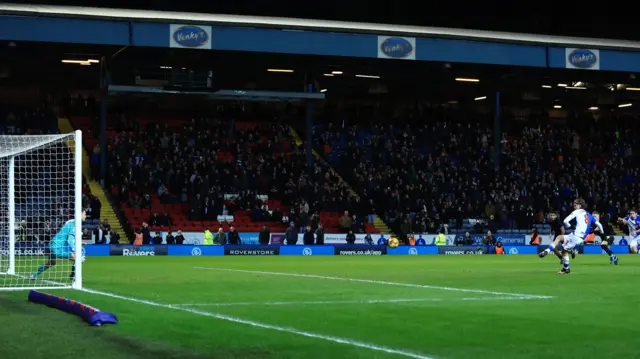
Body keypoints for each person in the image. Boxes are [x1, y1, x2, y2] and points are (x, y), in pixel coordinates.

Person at [538, 198, 602, 274]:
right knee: (559, 238)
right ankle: (548, 252)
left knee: (564, 250)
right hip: (577, 236)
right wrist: (602, 231)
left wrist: (568, 225)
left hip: (577, 236)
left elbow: (565, 221)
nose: (573, 205)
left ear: (580, 205)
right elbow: (599, 224)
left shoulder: (577, 212)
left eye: (575, 204)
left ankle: (566, 268)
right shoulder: (588, 214)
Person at [31, 210, 86, 281]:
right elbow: (70, 240)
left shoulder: (70, 222)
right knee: (78, 258)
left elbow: (67, 235)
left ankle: (33, 275)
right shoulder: (74, 225)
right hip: (57, 247)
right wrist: (75, 249)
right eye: (84, 214)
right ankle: (74, 276)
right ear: (80, 214)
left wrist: (79, 243)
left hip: (52, 243)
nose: (85, 216)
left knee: (51, 262)